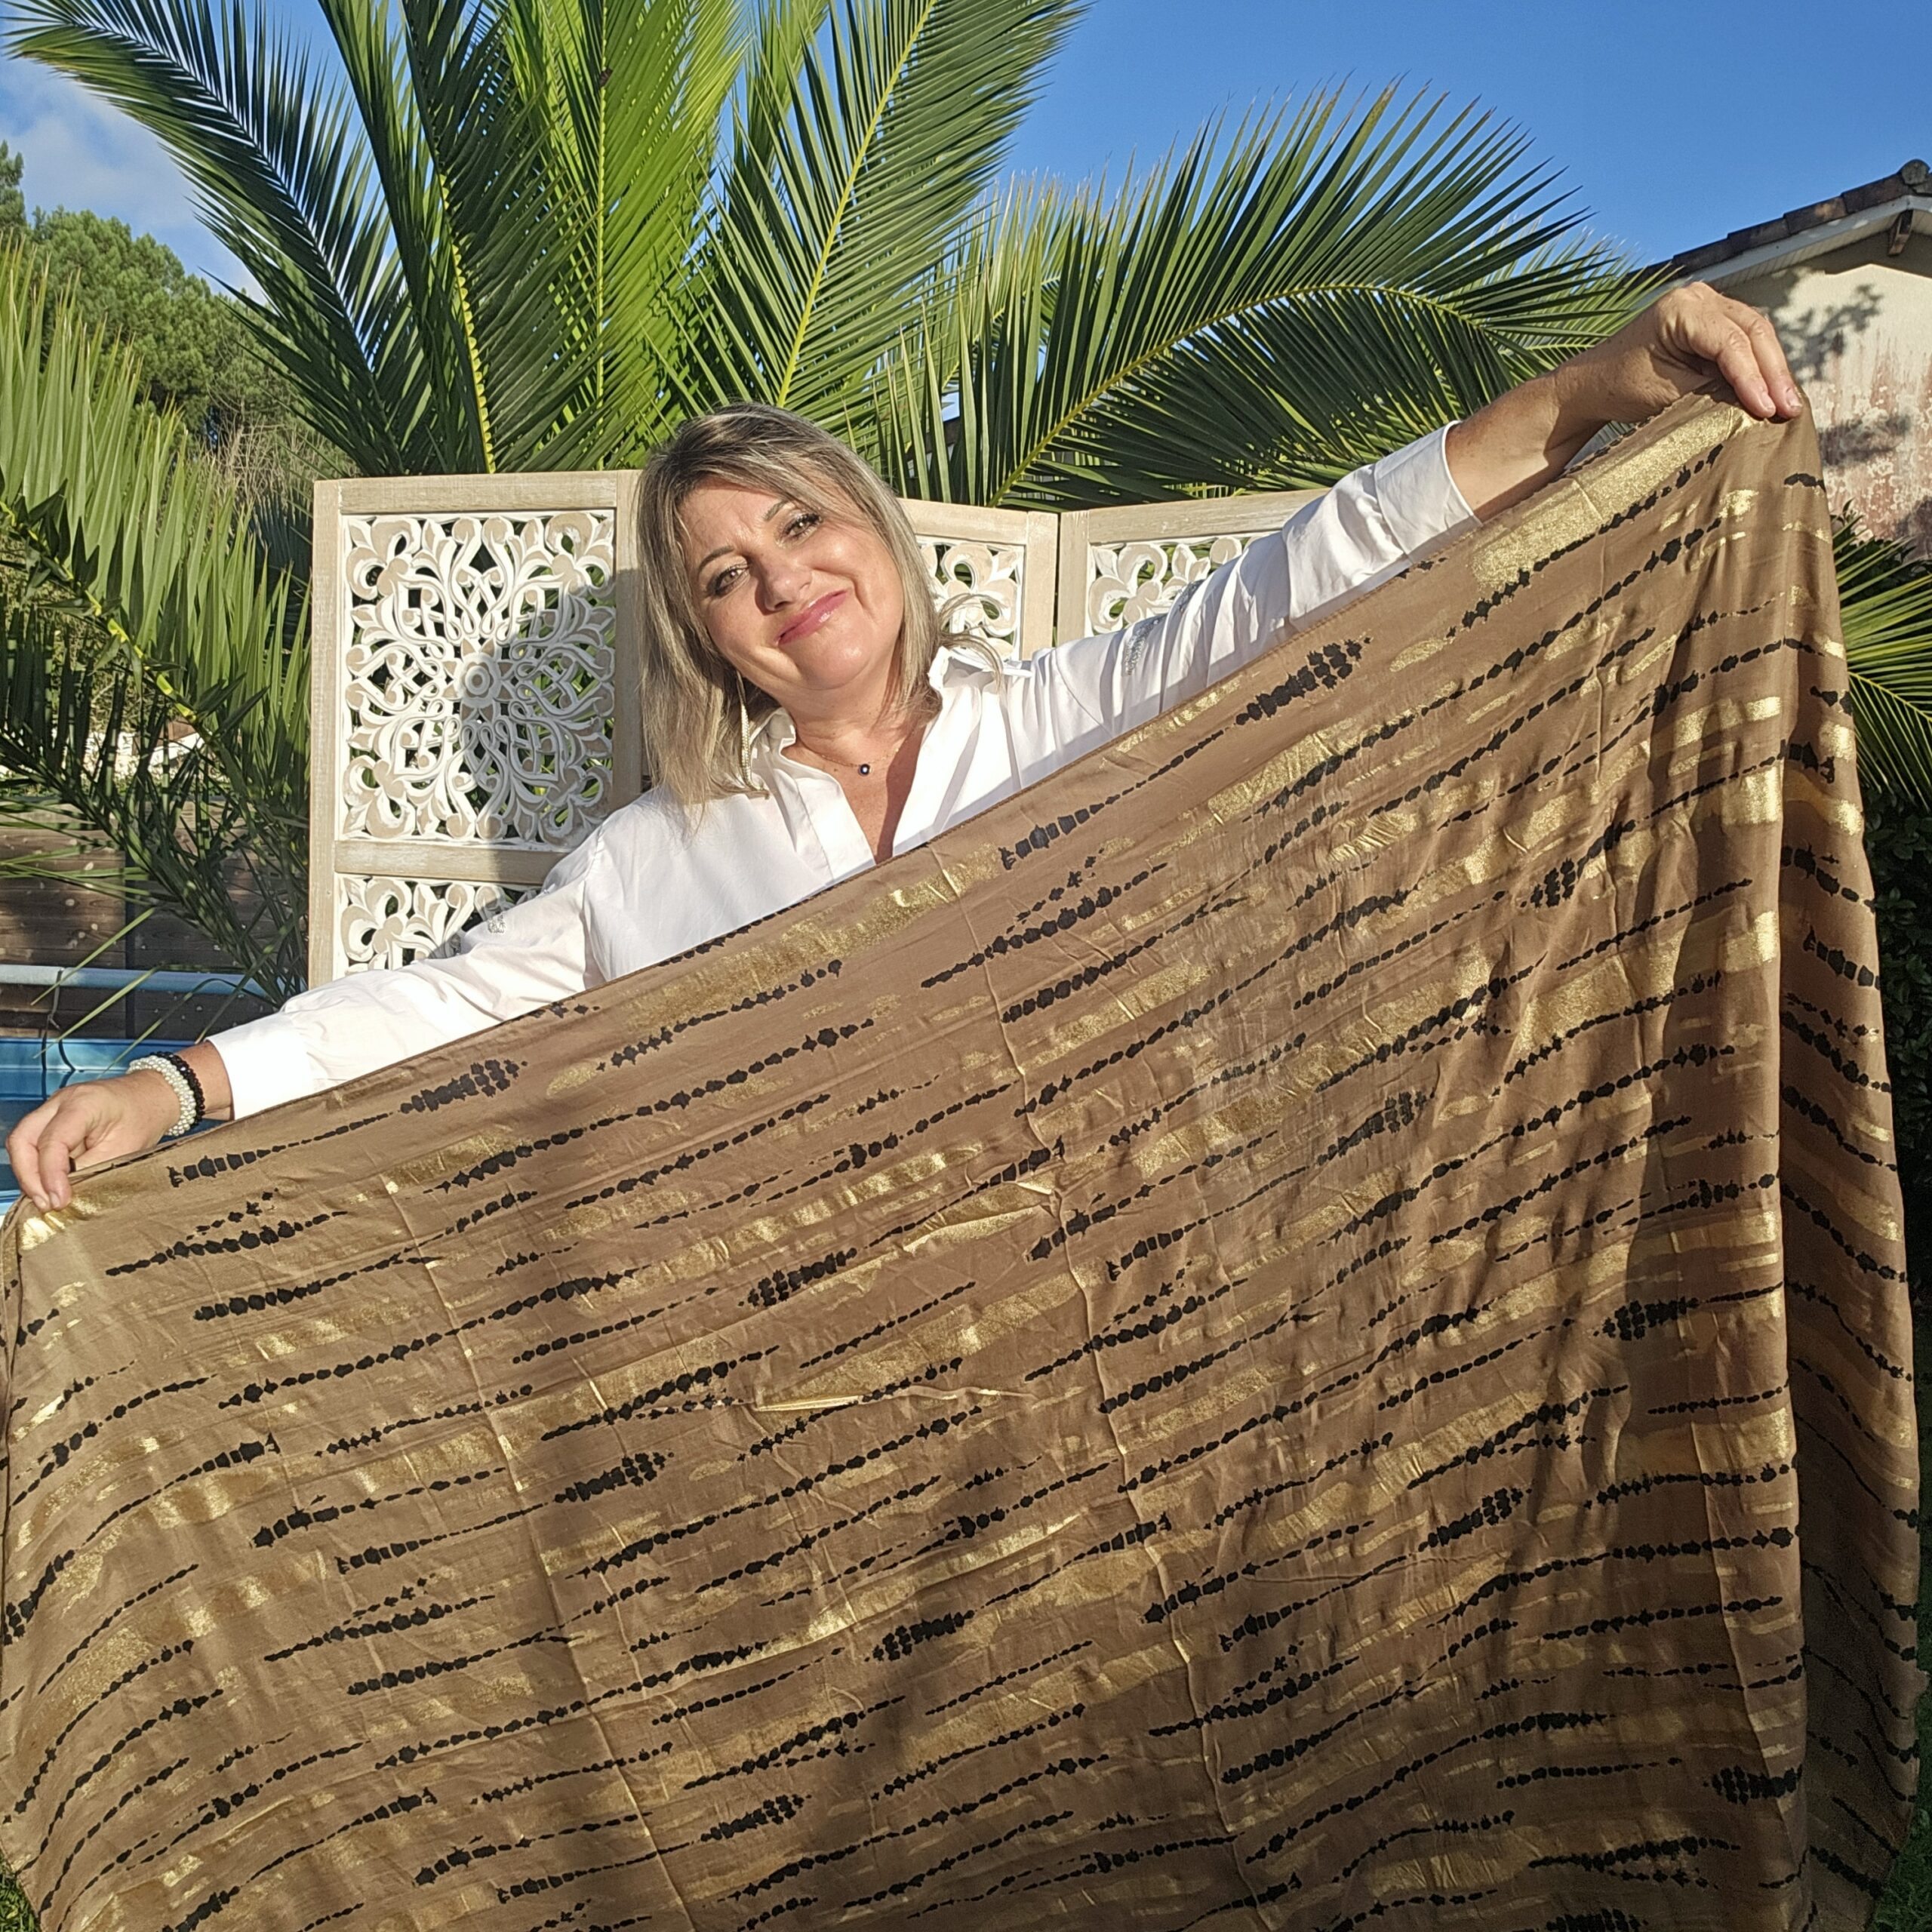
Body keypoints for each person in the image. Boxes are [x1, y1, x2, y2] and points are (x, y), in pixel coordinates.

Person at [8, 285, 1802, 1213]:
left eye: (796, 525)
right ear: (703, 636)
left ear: (870, 529)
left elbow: (1303, 574)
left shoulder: (1059, 724)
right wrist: (176, 1084)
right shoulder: (657, 857)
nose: (779, 580)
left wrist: (1589, 392)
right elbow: (437, 1007)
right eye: (725, 575)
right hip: (806, 1374)